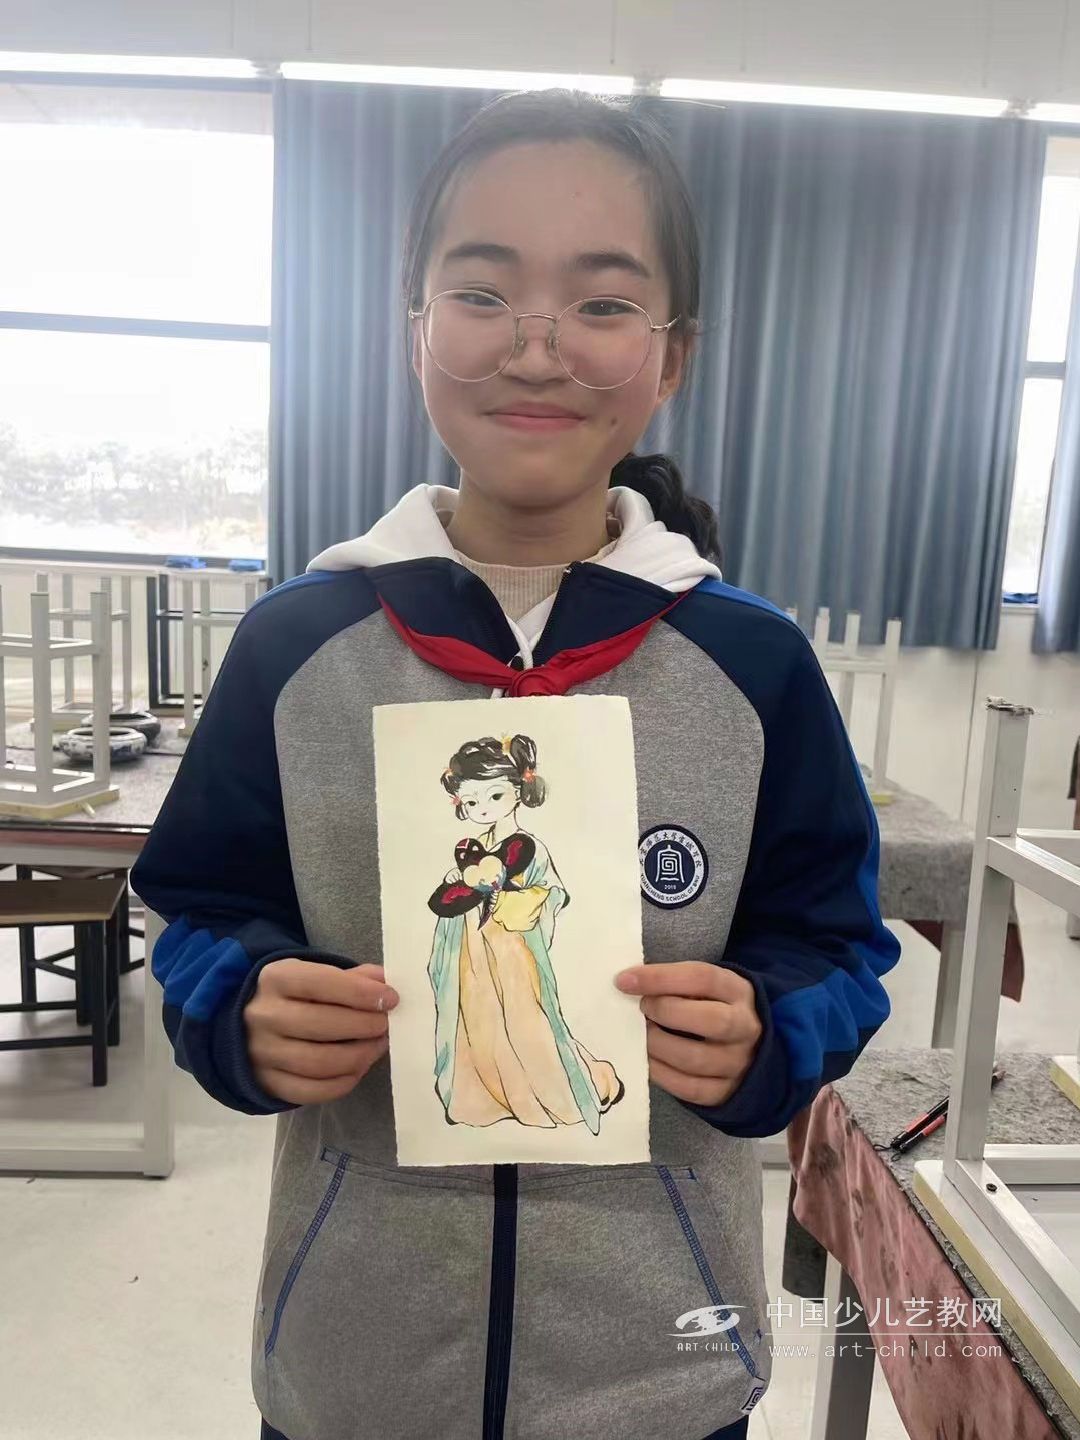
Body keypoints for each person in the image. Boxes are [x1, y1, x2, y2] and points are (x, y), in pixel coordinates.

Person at [131, 88, 900, 1440]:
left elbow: (835, 942)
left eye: (603, 304)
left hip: (662, 1370)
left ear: (672, 355)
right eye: (482, 293)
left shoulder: (753, 662)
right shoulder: (297, 647)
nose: (537, 349)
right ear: (415, 329)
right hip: (357, 1359)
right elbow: (196, 909)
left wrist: (767, 1028)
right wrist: (240, 1004)